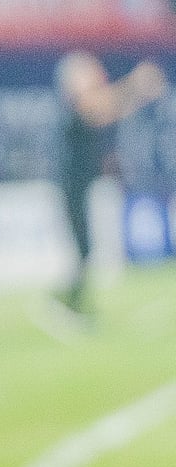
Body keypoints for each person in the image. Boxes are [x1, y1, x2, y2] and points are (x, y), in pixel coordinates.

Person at [53, 51, 167, 316]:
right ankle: (70, 303)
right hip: (72, 185)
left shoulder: (89, 102)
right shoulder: (78, 103)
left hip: (83, 185)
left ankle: (75, 302)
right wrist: (136, 84)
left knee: (87, 249)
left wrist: (138, 93)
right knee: (83, 248)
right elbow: (101, 108)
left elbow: (111, 109)